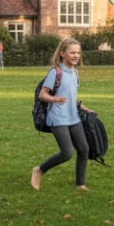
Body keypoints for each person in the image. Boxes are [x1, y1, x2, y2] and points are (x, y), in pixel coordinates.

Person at [31, 39, 95, 191]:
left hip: (73, 117)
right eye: (72, 52)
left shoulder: (74, 73)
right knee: (66, 153)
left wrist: (85, 108)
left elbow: (70, 96)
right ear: (62, 53)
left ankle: (80, 184)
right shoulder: (55, 72)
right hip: (57, 117)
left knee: (84, 149)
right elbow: (42, 95)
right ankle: (39, 170)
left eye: (78, 53)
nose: (76, 56)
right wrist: (55, 99)